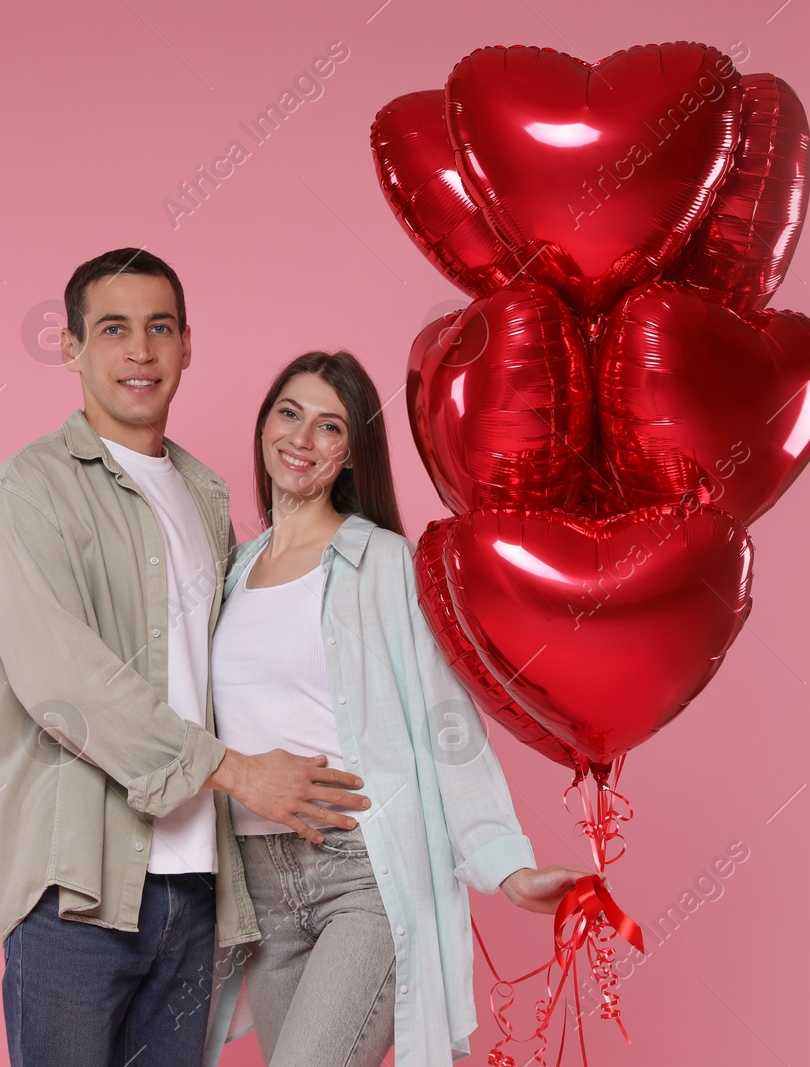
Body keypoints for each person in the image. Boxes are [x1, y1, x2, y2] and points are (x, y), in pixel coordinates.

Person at [0, 250, 372, 1067]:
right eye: (114, 329)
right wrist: (237, 770)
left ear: (189, 345)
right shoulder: (27, 492)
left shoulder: (208, 499)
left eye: (160, 328)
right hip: (77, 892)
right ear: (71, 346)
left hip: (200, 897)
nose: (140, 352)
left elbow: (244, 672)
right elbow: (65, 683)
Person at [202, 351, 594, 1067]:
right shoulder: (229, 571)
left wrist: (509, 867)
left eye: (330, 427)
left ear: (351, 456)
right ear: (264, 425)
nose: (302, 438)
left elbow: (447, 725)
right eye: (289, 413)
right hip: (260, 886)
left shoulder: (384, 564)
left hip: (362, 876)